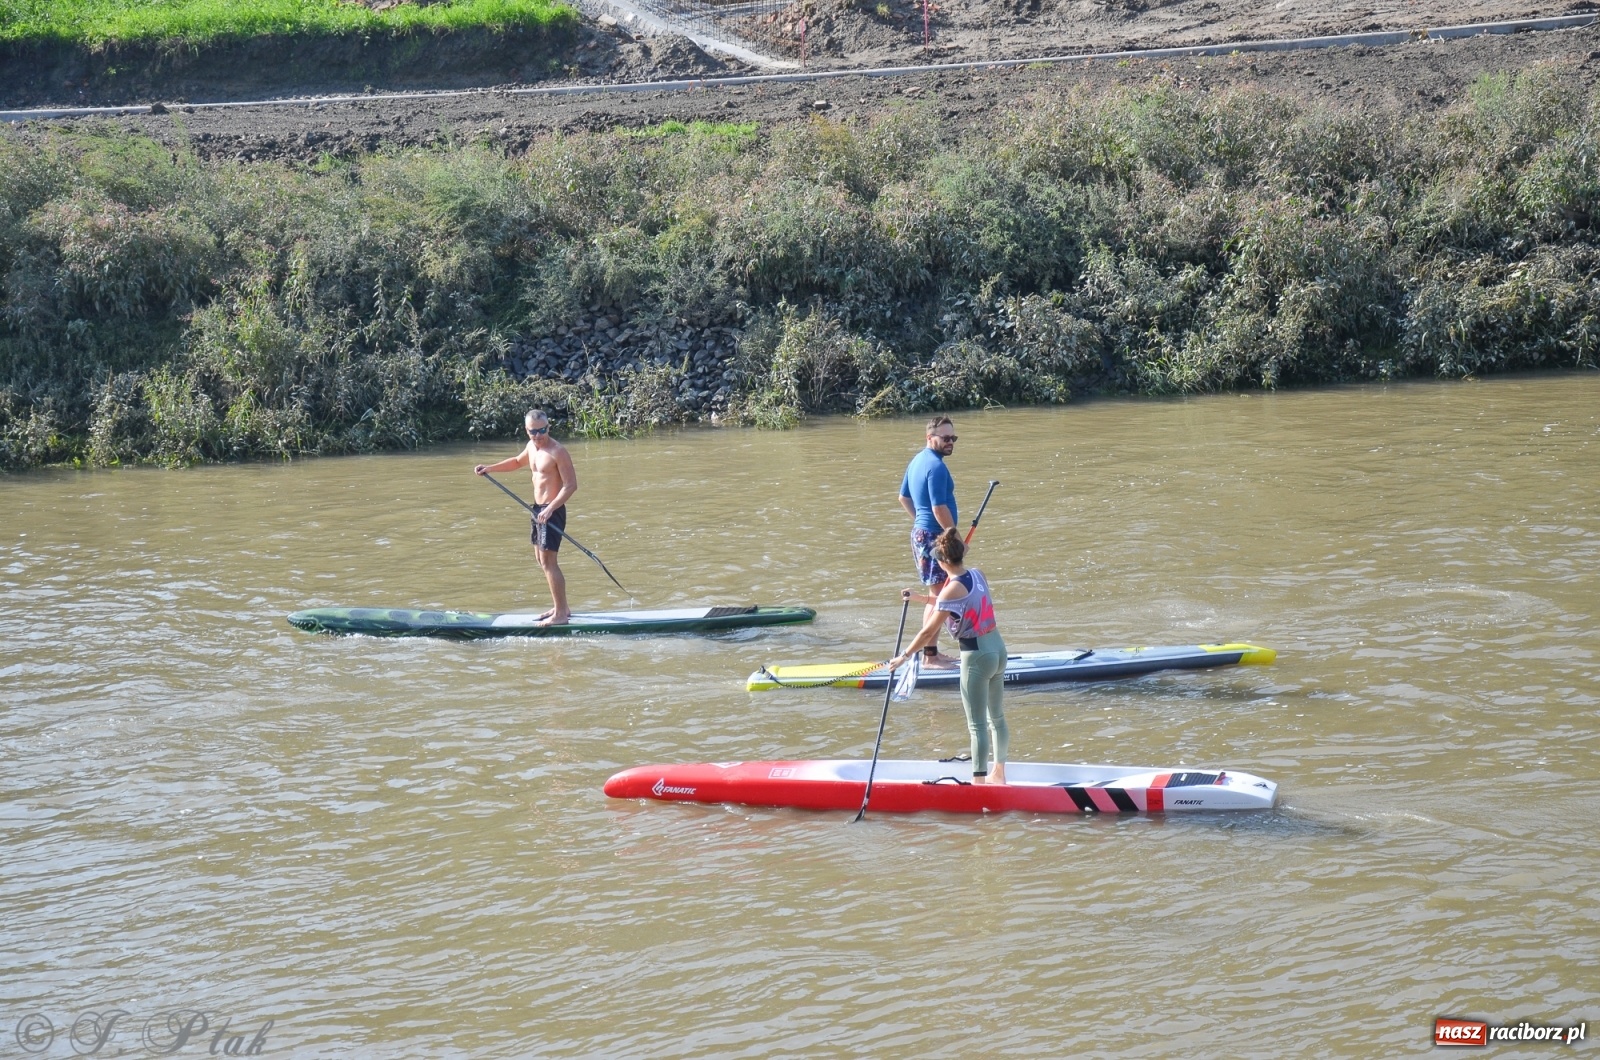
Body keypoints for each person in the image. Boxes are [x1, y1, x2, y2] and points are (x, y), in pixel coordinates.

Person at [889, 527, 1009, 785]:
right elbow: (958, 601)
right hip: (998, 649)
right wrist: (919, 598)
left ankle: (978, 785)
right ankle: (999, 774)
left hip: (976, 656)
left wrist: (904, 657)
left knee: (977, 725)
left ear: (942, 562)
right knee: (997, 718)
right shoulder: (977, 574)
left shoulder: (949, 590)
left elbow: (927, 632)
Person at [474, 409, 578, 626]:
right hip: (537, 510)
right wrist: (489, 468)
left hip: (552, 511)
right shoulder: (531, 447)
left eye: (542, 430)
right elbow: (515, 462)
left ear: (548, 427)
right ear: (527, 430)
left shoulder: (558, 451)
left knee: (549, 562)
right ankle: (562, 607)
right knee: (540, 560)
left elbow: (570, 486)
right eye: (533, 431)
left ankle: (560, 614)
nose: (538, 435)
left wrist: (550, 509)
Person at [898, 415, 959, 667]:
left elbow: (903, 498)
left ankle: (932, 653)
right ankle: (930, 656)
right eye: (945, 438)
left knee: (939, 594)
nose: (950, 442)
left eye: (953, 438)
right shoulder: (936, 467)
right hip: (934, 537)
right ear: (929, 437)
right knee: (939, 596)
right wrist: (954, 536)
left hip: (924, 534)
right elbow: (938, 508)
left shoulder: (917, 461)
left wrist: (920, 523)